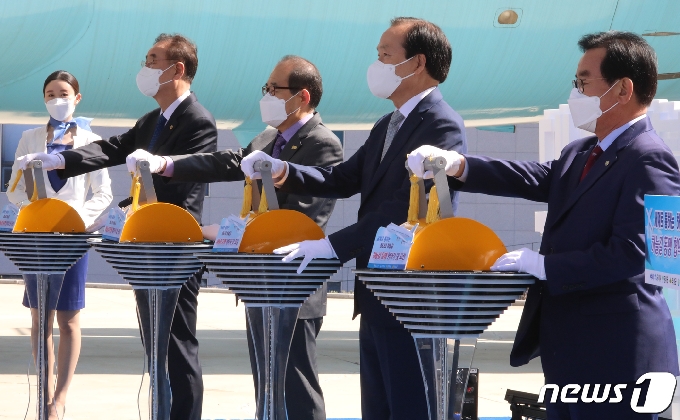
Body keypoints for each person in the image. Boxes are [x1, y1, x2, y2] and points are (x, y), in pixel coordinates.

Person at [407, 31, 680, 419]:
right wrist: (457, 164)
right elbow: (533, 178)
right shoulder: (581, 151)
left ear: (623, 89)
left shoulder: (650, 159)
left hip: (619, 354)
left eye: (584, 82)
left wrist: (544, 266)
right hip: (569, 350)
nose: (576, 92)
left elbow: (635, 255)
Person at [240, 18, 466, 420]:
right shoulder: (388, 123)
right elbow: (344, 179)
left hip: (411, 296)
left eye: (384, 55)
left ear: (416, 63)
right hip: (378, 291)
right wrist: (285, 171)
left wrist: (331, 247)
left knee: (411, 406)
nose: (375, 64)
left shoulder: (440, 123)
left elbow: (402, 211)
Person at [125, 55, 343, 420]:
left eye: (275, 88)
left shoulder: (322, 143)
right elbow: (227, 162)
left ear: (302, 96)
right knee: (267, 388)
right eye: (266, 88)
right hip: (259, 281)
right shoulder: (267, 138)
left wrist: (231, 232)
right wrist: (169, 164)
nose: (267, 95)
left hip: (292, 284)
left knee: (296, 387)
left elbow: (302, 219)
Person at [17, 34, 217, 420]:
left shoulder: (198, 120)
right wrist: (62, 162)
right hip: (145, 249)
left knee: (177, 347)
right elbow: (111, 149)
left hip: (173, 249)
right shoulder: (151, 121)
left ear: (177, 69)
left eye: (152, 60)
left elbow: (184, 191)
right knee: (155, 347)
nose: (144, 68)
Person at [6, 70, 113, 420]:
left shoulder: (91, 140)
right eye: (50, 93)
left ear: (77, 97)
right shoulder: (29, 138)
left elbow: (104, 193)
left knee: (68, 320)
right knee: (40, 318)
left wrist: (77, 220)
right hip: (38, 238)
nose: (57, 99)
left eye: (63, 93)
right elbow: (15, 188)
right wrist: (36, 211)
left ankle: (61, 398)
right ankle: (44, 392)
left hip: (72, 238)